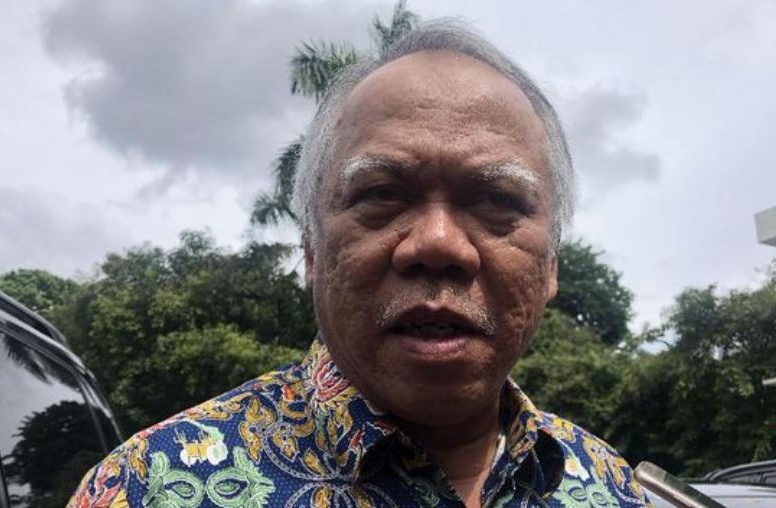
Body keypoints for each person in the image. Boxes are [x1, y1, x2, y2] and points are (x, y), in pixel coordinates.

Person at [69, 20, 650, 508]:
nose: (438, 244)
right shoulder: (149, 487)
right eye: (382, 194)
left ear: (551, 266)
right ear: (311, 249)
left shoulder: (613, 489)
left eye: (497, 201)